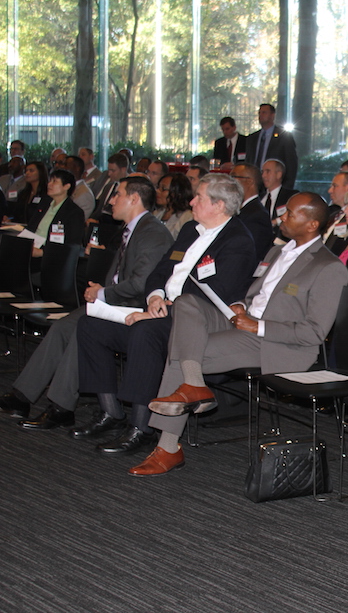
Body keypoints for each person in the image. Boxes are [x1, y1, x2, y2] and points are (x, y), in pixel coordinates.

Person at [135, 193, 348, 476]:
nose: (282, 218)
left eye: (290, 214)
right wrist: (242, 306)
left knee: (184, 351)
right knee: (187, 302)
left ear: (311, 224)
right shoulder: (276, 252)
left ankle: (168, 445)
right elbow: (257, 296)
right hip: (243, 323)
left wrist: (257, 326)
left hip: (277, 343)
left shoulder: (329, 267)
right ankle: (195, 385)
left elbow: (314, 333)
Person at [76, 173, 260, 456]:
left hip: (195, 323)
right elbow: (160, 271)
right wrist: (155, 297)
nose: (191, 201)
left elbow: (214, 296)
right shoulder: (189, 229)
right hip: (162, 309)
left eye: (199, 197)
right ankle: (111, 412)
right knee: (91, 325)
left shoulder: (238, 242)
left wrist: (160, 315)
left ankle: (142, 428)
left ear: (220, 205)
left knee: (144, 333)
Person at [0, 176, 174, 430]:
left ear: (134, 199)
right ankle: (20, 397)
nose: (111, 200)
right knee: (62, 327)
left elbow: (141, 284)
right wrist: (101, 293)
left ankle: (61, 407)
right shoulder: (133, 229)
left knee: (83, 328)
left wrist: (102, 294)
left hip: (133, 309)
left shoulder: (152, 232)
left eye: (117, 195)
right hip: (115, 304)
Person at [27, 169, 86, 261]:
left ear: (66, 186)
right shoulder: (44, 203)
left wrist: (43, 252)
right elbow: (30, 227)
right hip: (31, 248)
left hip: (51, 256)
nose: (49, 184)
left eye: (54, 181)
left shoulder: (74, 212)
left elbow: (71, 245)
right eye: (50, 181)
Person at [244, 103, 298, 189]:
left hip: (275, 184)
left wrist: (287, 187)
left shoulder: (284, 136)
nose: (260, 115)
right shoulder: (252, 138)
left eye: (264, 112)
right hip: (253, 185)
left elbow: (291, 163)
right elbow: (248, 161)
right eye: (259, 113)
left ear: (272, 115)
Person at [156, 173, 194, 238]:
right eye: (158, 187)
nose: (157, 191)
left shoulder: (187, 217)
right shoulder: (157, 213)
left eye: (163, 189)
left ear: (177, 192)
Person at [260, 158, 297, 225]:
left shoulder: (291, 197)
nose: (263, 176)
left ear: (279, 174)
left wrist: (275, 222)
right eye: (262, 172)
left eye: (268, 171)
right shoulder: (259, 198)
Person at [18, 161, 50, 228]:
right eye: (26, 171)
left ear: (40, 173)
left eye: (31, 171)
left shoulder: (47, 193)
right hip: (21, 228)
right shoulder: (23, 193)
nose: (27, 173)